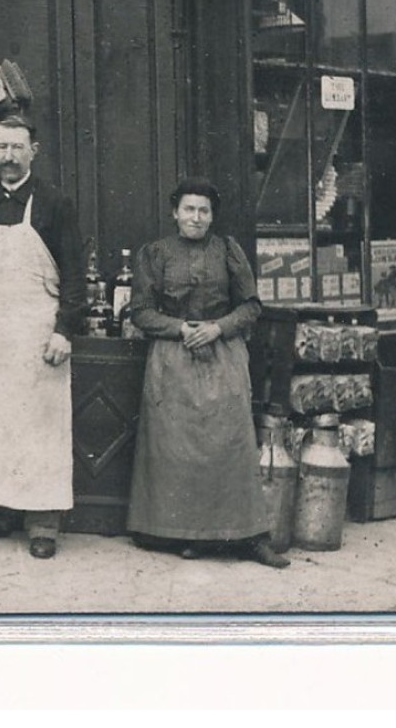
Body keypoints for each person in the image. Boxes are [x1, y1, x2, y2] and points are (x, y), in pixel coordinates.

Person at [126, 177, 290, 568]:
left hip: (223, 356)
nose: (196, 218)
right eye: (189, 209)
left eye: (203, 211)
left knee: (230, 445)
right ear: (175, 212)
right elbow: (141, 312)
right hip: (173, 359)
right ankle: (191, 536)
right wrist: (181, 328)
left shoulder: (228, 251)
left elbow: (251, 306)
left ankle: (250, 537)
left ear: (212, 216)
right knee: (178, 453)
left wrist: (217, 328)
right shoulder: (156, 254)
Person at [0, 114, 84, 559]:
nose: (8, 156)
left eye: (16, 148)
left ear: (33, 152)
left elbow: (76, 276)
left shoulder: (55, 204)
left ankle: (43, 524)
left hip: (36, 334)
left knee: (39, 429)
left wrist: (65, 329)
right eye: (1, 147)